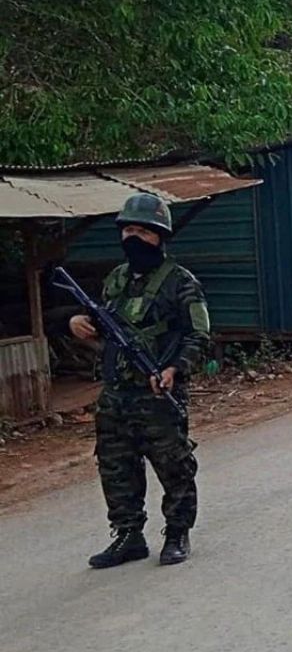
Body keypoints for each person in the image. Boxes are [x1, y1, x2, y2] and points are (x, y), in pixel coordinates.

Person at [68, 193, 211, 568]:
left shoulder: (181, 282)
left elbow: (199, 335)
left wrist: (174, 369)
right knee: (115, 463)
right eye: (128, 229)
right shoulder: (115, 279)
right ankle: (128, 535)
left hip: (158, 390)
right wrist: (78, 323)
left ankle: (177, 532)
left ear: (160, 236)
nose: (133, 237)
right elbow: (101, 321)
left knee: (173, 463)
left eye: (143, 231)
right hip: (117, 392)